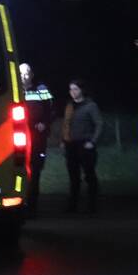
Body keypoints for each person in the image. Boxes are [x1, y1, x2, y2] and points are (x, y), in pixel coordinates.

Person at [61, 79, 104, 213]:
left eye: (75, 89)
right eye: (71, 89)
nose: (73, 92)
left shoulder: (90, 106)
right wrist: (64, 140)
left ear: (82, 90)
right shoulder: (69, 106)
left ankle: (92, 205)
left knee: (89, 176)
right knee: (73, 177)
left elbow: (99, 124)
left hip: (85, 145)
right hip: (71, 145)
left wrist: (92, 141)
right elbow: (66, 124)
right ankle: (72, 205)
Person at [19, 63, 54, 215]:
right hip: (19, 137)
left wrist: (45, 123)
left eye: (26, 73)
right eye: (20, 73)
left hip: (37, 137)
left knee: (35, 172)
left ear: (32, 74)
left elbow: (52, 110)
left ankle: (32, 207)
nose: (24, 76)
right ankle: (19, 205)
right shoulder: (14, 90)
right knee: (19, 171)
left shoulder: (41, 89)